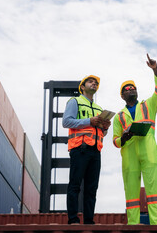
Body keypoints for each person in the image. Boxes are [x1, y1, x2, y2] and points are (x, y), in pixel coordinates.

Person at [112, 54, 157, 225]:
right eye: (126, 89)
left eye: (133, 88)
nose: (130, 90)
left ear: (137, 91)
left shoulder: (149, 105)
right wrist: (124, 137)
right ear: (122, 96)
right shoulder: (119, 117)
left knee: (154, 191)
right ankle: (133, 225)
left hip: (149, 153)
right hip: (129, 157)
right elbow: (115, 141)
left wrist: (155, 70)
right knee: (132, 194)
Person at [62, 75, 111, 224]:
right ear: (82, 87)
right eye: (91, 82)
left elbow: (101, 132)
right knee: (75, 185)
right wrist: (89, 121)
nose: (94, 84)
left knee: (92, 188)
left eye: (96, 83)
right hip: (80, 148)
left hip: (95, 151)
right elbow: (66, 121)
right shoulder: (75, 101)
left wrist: (105, 128)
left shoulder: (99, 109)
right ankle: (73, 219)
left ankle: (89, 220)